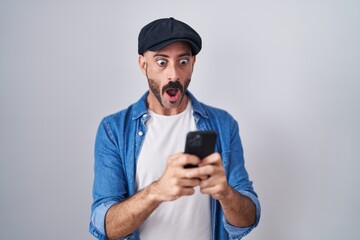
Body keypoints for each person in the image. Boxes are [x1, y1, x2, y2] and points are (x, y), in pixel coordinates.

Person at [89, 17, 261, 240]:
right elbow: (106, 227)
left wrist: (225, 193)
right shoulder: (113, 130)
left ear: (193, 63)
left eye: (182, 62)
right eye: (162, 62)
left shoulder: (224, 124)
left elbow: (248, 220)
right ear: (143, 65)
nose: (174, 75)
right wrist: (157, 191)